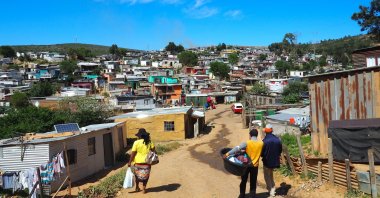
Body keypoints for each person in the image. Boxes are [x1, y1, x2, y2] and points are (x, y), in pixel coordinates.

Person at [224, 129, 264, 198]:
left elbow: (237, 148)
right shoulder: (261, 144)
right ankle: (252, 195)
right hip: (255, 166)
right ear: (257, 135)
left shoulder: (247, 143)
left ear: (250, 135)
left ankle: (242, 194)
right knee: (253, 181)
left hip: (246, 165)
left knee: (244, 180)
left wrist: (227, 154)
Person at [128, 128, 156, 194]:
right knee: (146, 176)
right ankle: (144, 188)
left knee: (137, 176)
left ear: (139, 136)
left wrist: (129, 162)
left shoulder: (136, 142)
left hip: (138, 163)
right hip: (147, 163)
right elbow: (154, 151)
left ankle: (137, 187)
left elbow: (133, 153)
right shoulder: (149, 142)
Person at [261, 124, 282, 197]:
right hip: (275, 161)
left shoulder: (264, 141)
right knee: (271, 175)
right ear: (272, 130)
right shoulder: (277, 139)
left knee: (267, 176)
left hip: (266, 162)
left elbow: (261, 153)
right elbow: (280, 150)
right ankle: (272, 188)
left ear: (266, 132)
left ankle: (271, 190)